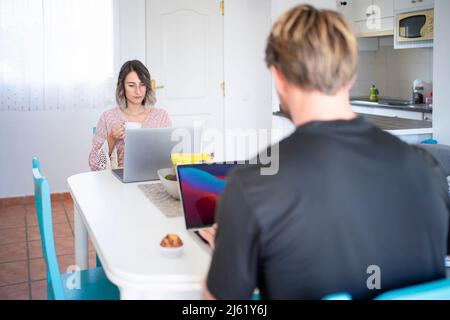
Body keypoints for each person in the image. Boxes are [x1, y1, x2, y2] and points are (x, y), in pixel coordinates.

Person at [200, 5, 450, 300]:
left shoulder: (253, 184)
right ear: (351, 75)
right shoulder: (427, 170)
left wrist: (229, 252)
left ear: (279, 77)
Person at [89, 60, 171, 170]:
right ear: (122, 86)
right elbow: (94, 163)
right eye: (131, 85)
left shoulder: (161, 116)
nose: (138, 91)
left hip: (153, 178)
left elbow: (169, 158)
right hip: (118, 181)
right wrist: (111, 138)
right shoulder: (107, 118)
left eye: (142, 85)